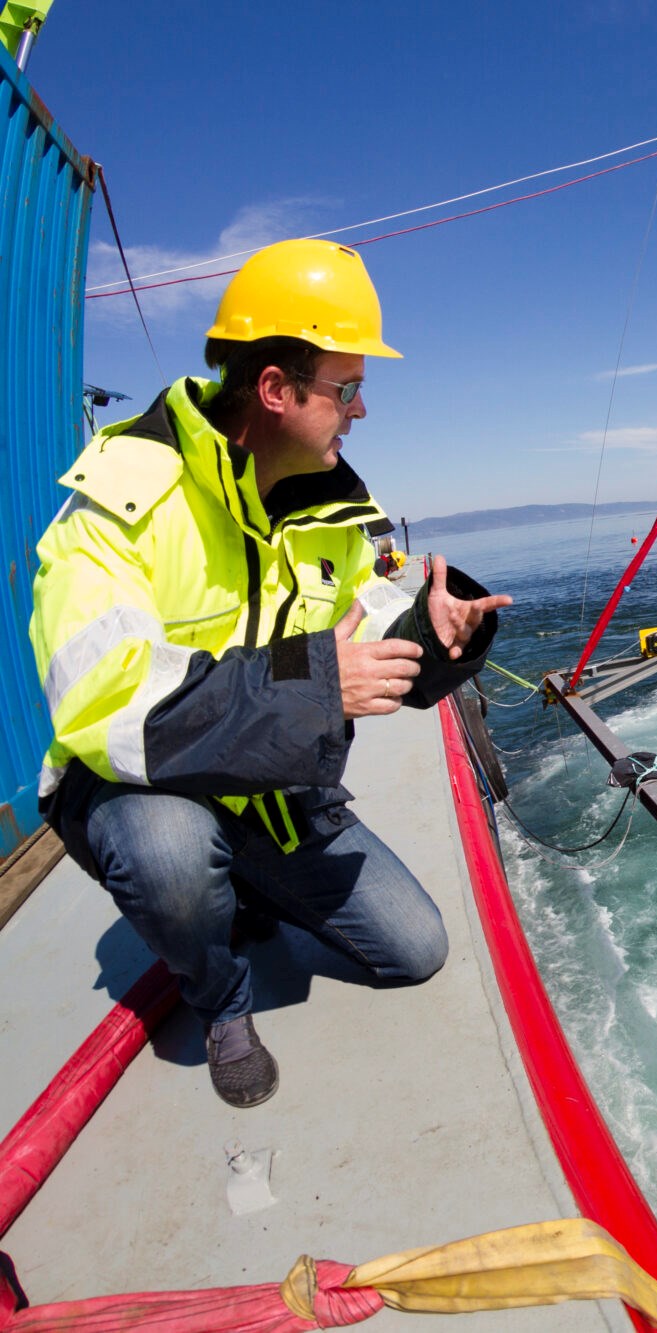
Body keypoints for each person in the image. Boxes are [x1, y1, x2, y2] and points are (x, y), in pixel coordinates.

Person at [30, 239, 510, 1108]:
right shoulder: (122, 497)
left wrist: (437, 636)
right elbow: (109, 697)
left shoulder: (327, 506)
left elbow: (364, 638)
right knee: (171, 853)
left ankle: (242, 883)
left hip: (268, 794)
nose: (361, 412)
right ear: (278, 390)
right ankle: (220, 998)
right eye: (348, 389)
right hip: (139, 783)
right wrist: (317, 682)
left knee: (416, 947)